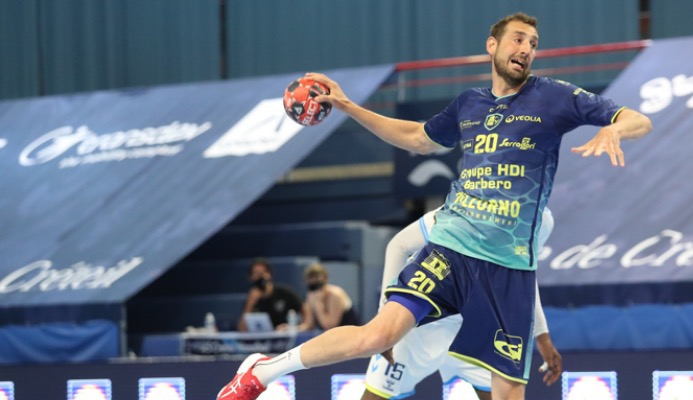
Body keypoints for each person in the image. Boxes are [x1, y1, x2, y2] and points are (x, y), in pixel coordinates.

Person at [217, 12, 651, 400]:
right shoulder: (469, 103)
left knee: (507, 394)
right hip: (451, 250)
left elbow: (638, 119)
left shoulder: (553, 96)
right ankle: (262, 372)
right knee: (377, 336)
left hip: (509, 271)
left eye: (533, 44)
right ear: (493, 45)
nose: (526, 49)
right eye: (518, 39)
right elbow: (415, 138)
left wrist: (615, 129)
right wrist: (348, 106)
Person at [362, 207, 562, 400]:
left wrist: (542, 335)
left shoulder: (542, 220)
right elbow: (399, 245)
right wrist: (385, 323)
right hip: (424, 321)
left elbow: (523, 275)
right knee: (375, 396)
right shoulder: (468, 204)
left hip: (473, 325)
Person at [238, 258, 306, 332]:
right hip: (262, 337)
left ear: (269, 274)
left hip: (284, 335)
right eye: (256, 273)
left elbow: (305, 310)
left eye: (262, 273)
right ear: (250, 277)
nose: (260, 277)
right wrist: (250, 303)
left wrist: (299, 328)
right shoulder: (251, 298)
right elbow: (242, 329)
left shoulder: (284, 293)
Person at [299, 262, 361, 331]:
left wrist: (318, 304)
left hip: (349, 334)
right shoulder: (311, 297)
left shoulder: (335, 295)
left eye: (318, 285)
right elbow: (308, 325)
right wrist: (293, 329)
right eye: (312, 287)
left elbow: (329, 326)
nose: (316, 292)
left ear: (326, 279)